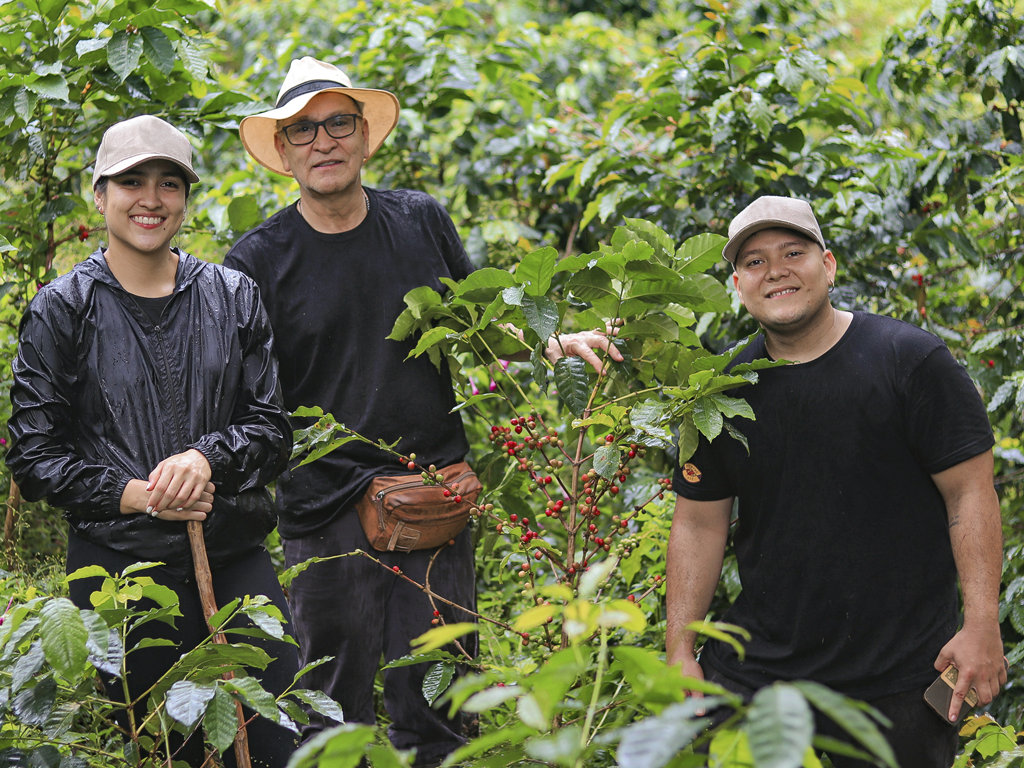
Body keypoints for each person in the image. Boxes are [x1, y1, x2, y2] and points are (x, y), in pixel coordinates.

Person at [224, 57, 622, 766]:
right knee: (330, 709)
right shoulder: (257, 261)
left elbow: (478, 323)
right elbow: (241, 392)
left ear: (365, 136)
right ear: (282, 153)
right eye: (303, 130)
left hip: (431, 496)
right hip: (324, 514)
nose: (324, 141)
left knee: (439, 705)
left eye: (338, 123)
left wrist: (557, 342)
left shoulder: (418, 220)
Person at [665, 195, 1005, 766]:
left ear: (828, 265)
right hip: (763, 671)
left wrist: (981, 623)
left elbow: (969, 493)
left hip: (897, 673)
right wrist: (680, 647)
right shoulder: (721, 388)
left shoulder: (909, 362)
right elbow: (698, 523)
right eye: (754, 261)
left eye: (792, 252)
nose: (775, 270)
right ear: (737, 284)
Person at [6, 115, 299, 767]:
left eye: (170, 183)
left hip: (235, 557)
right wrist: (137, 495)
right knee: (167, 748)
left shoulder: (233, 295)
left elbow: (272, 429)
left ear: (186, 198)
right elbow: (33, 456)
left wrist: (205, 459)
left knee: (278, 737)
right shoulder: (62, 310)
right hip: (122, 570)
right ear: (99, 194)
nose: (151, 198)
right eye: (131, 180)